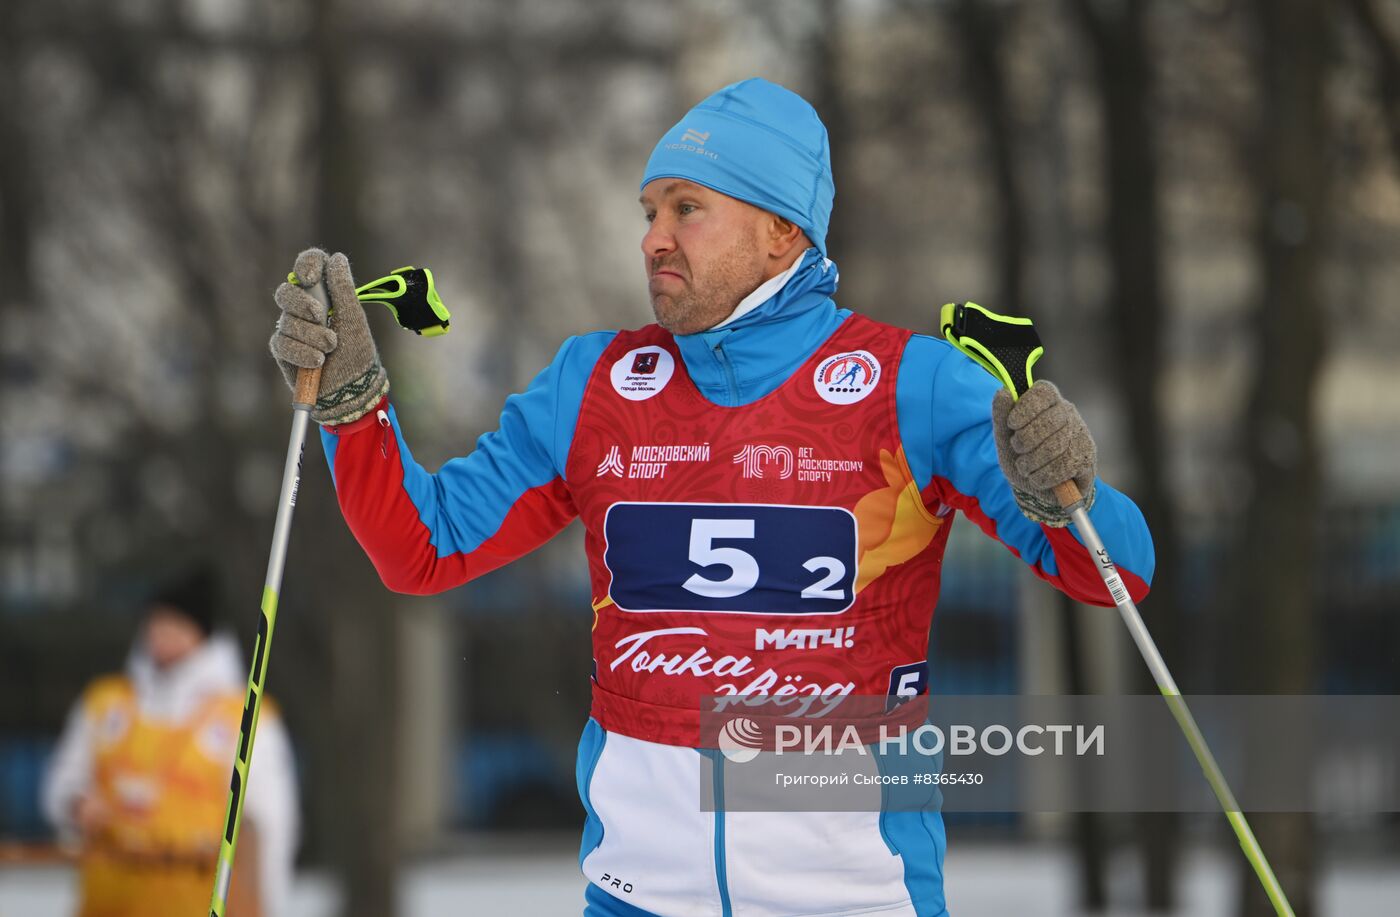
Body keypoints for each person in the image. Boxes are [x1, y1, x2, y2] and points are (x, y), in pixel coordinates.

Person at [270, 77, 1153, 917]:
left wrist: (1064, 489)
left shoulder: (908, 385)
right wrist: (356, 408)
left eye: (687, 208)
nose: (655, 236)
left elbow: (1120, 573)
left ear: (781, 230)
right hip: (636, 897)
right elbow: (422, 547)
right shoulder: (596, 387)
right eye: (649, 211)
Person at [42, 566, 299, 917]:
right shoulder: (106, 703)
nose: (162, 635)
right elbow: (62, 781)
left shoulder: (245, 715)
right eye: (156, 622)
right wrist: (77, 805)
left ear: (202, 633)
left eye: (176, 625)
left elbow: (270, 824)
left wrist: (267, 904)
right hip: (107, 904)